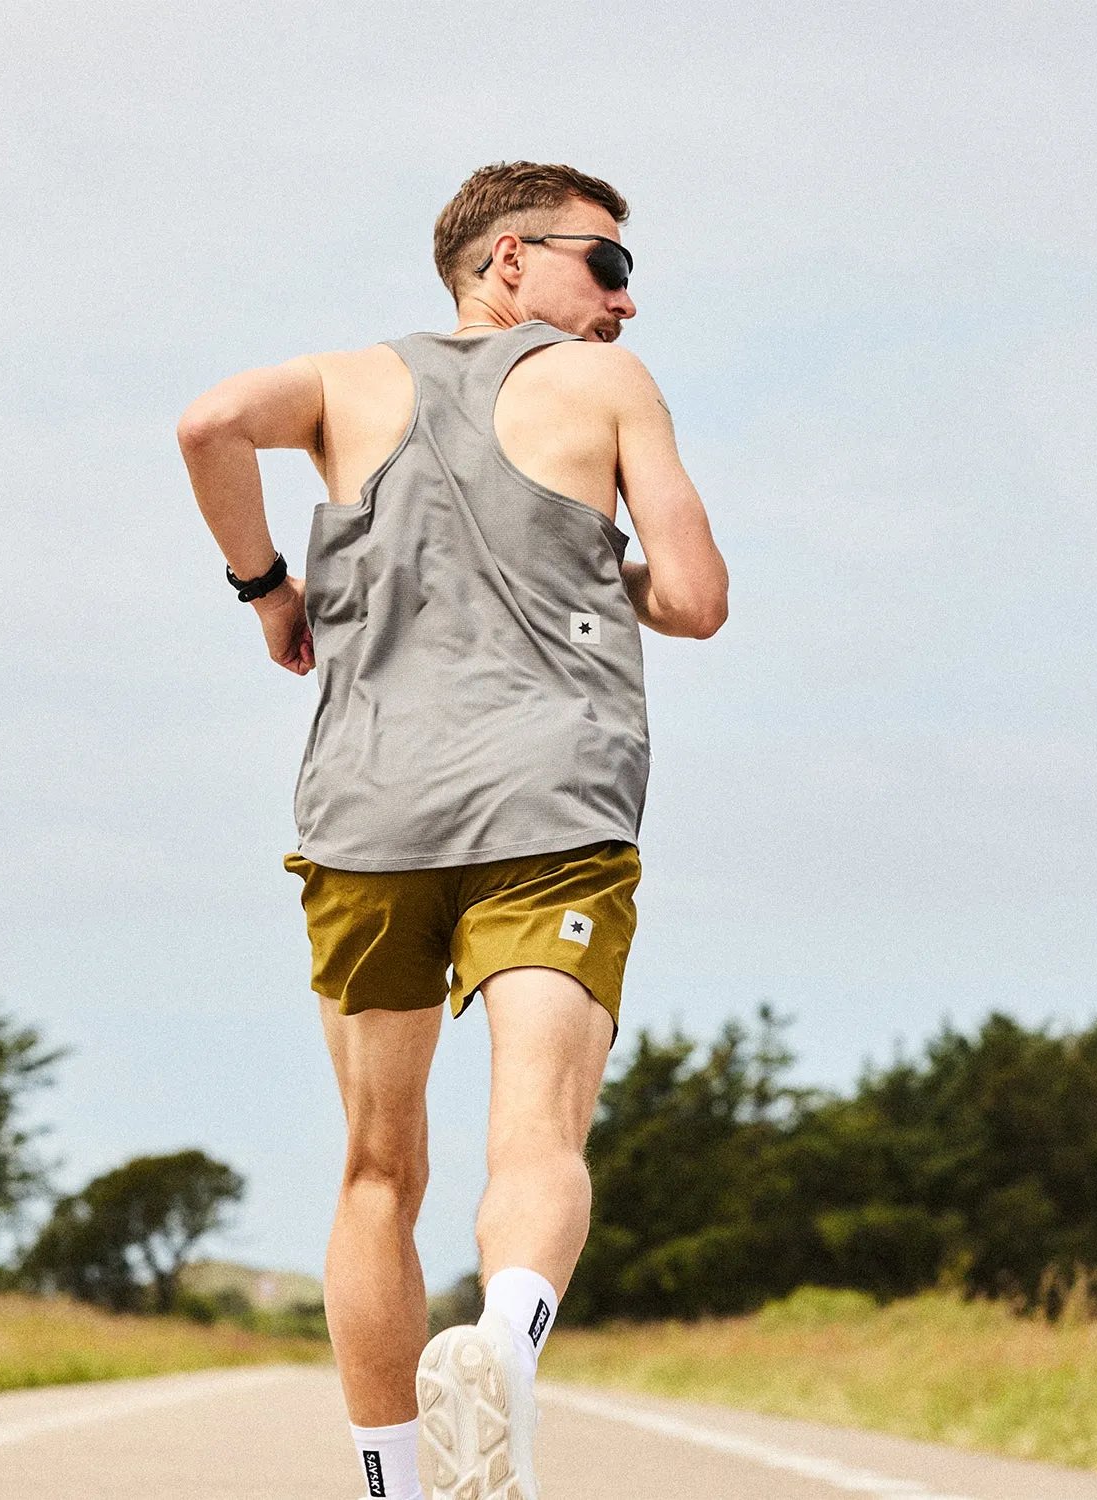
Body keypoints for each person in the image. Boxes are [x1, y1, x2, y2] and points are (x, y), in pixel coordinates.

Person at [178, 161, 727, 1500]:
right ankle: (507, 1345)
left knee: (378, 1169)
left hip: (367, 818)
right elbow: (699, 598)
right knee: (535, 1134)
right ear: (509, 263)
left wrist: (265, 587)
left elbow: (205, 425)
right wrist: (599, 560)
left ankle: (389, 1485)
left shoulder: (344, 383)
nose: (626, 302)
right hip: (551, 808)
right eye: (604, 266)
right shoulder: (604, 389)